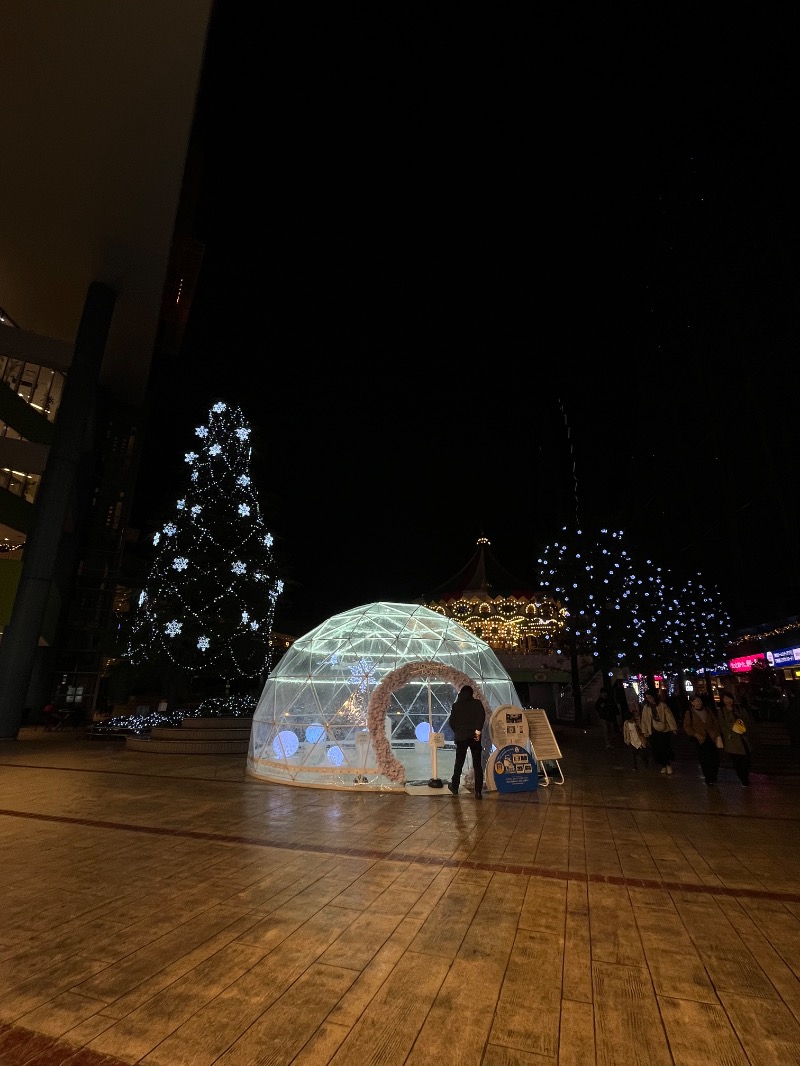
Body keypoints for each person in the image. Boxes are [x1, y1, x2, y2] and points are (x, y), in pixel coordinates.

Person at [446, 685, 485, 799]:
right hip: (475, 737)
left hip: (461, 737)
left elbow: (452, 722)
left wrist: (458, 732)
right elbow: (481, 717)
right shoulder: (477, 703)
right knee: (477, 765)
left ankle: (454, 787)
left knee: (459, 763)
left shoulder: (456, 705)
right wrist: (477, 731)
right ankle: (478, 792)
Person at [683, 692, 722, 785]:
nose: (698, 702)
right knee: (704, 759)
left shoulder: (707, 710)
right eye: (696, 701)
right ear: (692, 703)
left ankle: (714, 775)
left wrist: (716, 733)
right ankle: (708, 778)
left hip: (711, 737)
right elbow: (687, 726)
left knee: (714, 758)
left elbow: (715, 721)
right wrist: (695, 734)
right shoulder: (690, 713)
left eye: (699, 701)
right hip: (699, 739)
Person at [717, 689, 754, 786]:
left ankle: (745, 776)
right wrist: (728, 734)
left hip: (743, 738)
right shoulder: (721, 712)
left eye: (729, 698)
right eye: (725, 699)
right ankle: (743, 779)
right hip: (732, 740)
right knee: (737, 762)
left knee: (747, 760)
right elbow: (722, 725)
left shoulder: (739, 709)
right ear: (723, 701)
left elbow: (747, 721)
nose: (728, 701)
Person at [641, 690, 678, 775]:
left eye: (650, 697)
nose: (649, 699)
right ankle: (663, 765)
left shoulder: (662, 705)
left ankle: (668, 764)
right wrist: (645, 731)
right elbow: (644, 720)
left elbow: (669, 716)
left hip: (663, 730)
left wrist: (673, 728)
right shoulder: (646, 708)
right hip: (652, 731)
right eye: (647, 698)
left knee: (665, 747)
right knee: (656, 749)